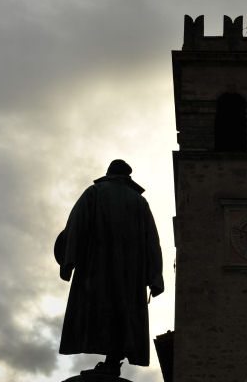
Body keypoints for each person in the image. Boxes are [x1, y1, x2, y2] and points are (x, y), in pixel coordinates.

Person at [54, 159, 164, 377]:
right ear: (127, 177)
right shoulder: (139, 202)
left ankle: (112, 361)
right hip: (129, 275)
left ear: (109, 173)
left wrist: (69, 261)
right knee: (122, 314)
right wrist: (155, 277)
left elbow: (75, 226)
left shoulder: (94, 193)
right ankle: (113, 360)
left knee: (100, 311)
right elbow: (152, 241)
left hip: (97, 268)